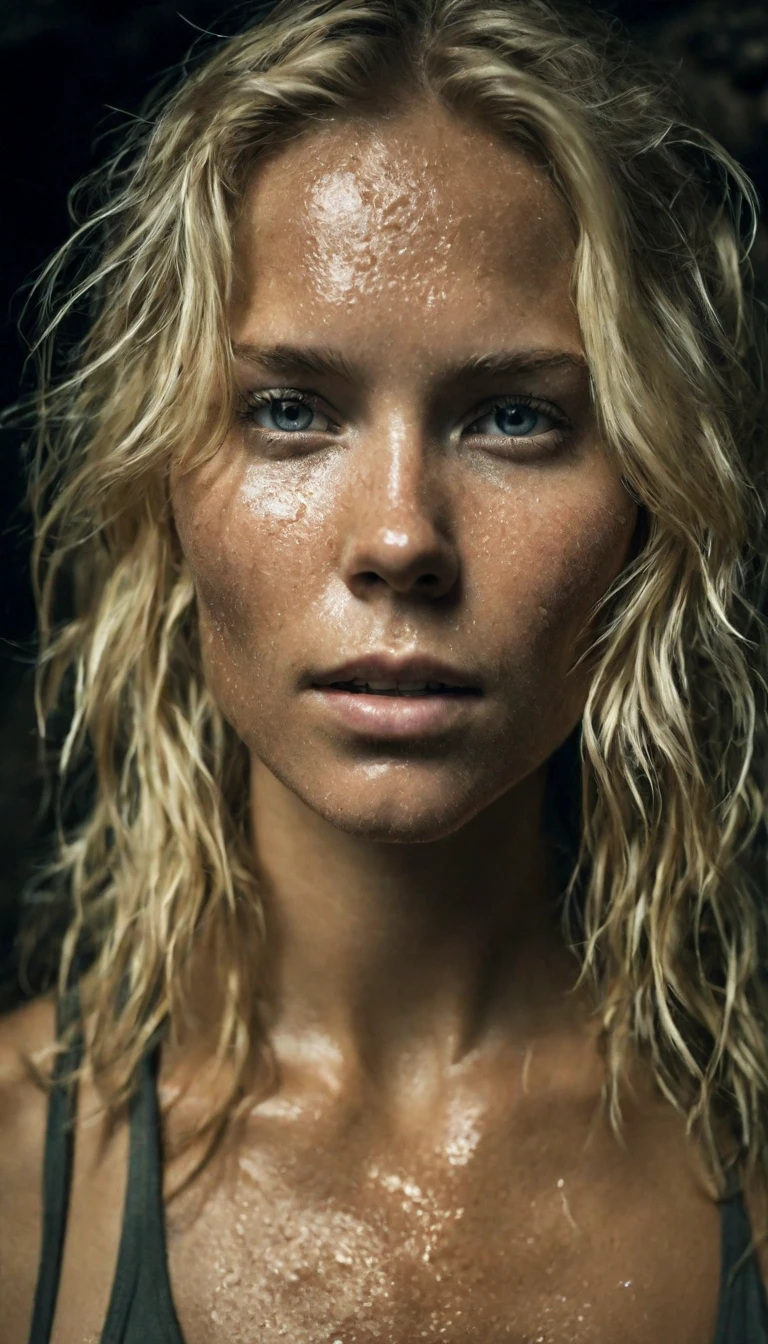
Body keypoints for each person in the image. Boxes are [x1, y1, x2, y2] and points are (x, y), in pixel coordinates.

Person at [1, 0, 768, 1339]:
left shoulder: (748, 1159)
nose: (402, 536)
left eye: (515, 415)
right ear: (158, 487)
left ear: (652, 499)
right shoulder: (14, 1174)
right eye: (289, 410)